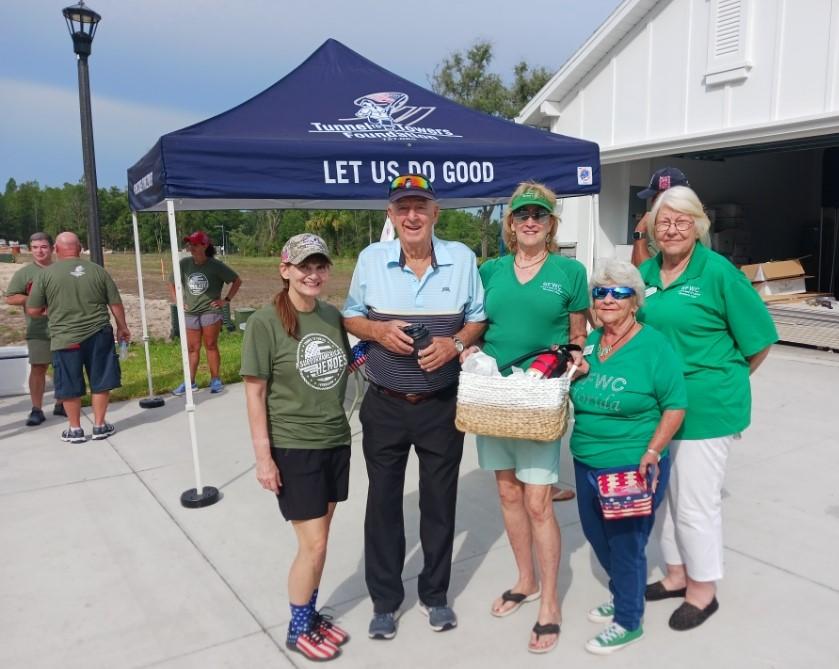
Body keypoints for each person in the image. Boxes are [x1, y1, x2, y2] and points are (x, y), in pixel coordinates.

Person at [342, 174, 486, 640]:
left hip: (441, 405)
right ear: (390, 215)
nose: (411, 216)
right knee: (383, 504)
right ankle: (385, 601)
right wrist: (378, 331)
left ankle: (435, 595)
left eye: (420, 206)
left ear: (435, 213)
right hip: (385, 404)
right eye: (402, 207)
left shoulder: (462, 258)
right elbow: (351, 315)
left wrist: (454, 343)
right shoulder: (371, 258)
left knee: (439, 504)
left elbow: (477, 319)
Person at [638, 186, 777, 630]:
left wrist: (724, 381)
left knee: (695, 504)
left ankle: (703, 590)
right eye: (664, 222)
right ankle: (676, 575)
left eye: (682, 221)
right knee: (664, 498)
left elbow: (759, 340)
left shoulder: (718, 273)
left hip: (706, 409)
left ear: (699, 226)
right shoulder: (646, 273)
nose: (672, 229)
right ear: (652, 229)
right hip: (658, 409)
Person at [459, 181, 588, 654]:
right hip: (493, 396)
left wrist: (578, 358)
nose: (530, 221)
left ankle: (549, 602)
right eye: (522, 215)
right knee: (507, 493)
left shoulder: (570, 272)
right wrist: (467, 347)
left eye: (539, 215)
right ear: (510, 224)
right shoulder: (489, 270)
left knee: (538, 502)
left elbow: (578, 334)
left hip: (538, 399)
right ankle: (525, 580)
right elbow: (476, 325)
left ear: (551, 224)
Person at [241, 233, 351, 662]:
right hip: (294, 446)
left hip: (334, 439)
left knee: (321, 540)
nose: (313, 274)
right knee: (313, 544)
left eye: (320, 266)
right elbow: (254, 394)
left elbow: (344, 367)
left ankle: (311, 613)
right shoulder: (265, 322)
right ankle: (298, 626)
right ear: (285, 269)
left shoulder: (331, 316)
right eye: (304, 266)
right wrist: (263, 458)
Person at [570, 259, 687, 655]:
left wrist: (653, 450)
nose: (607, 299)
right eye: (600, 292)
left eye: (618, 292)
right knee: (596, 535)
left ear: (635, 301)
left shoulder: (654, 345)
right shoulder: (591, 342)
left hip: (631, 462)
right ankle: (624, 591)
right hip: (585, 457)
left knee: (626, 544)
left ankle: (628, 620)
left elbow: (675, 405)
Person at [26, 232, 130, 443]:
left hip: (65, 338)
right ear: (80, 248)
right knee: (101, 380)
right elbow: (115, 303)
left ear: (56, 249)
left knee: (69, 383)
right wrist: (122, 327)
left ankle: (75, 429)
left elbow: (33, 310)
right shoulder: (98, 271)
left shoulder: (45, 275)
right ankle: (99, 426)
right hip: (98, 334)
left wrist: (50, 310)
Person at [169, 230, 241, 395]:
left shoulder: (216, 265)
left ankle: (215, 380)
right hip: (191, 312)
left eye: (195, 244)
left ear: (205, 245)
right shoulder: (184, 264)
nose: (191, 247)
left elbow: (237, 280)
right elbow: (172, 282)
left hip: (210, 311)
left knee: (210, 345)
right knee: (192, 348)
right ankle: (190, 382)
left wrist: (226, 300)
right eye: (190, 244)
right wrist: (178, 301)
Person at [5, 232, 65, 425]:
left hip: (64, 328)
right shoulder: (24, 273)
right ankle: (37, 409)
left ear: (52, 248)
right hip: (38, 329)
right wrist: (34, 300)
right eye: (35, 247)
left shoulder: (62, 270)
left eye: (44, 247)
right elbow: (11, 297)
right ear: (30, 249)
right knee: (39, 367)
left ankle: (62, 403)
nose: (40, 251)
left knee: (64, 366)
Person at [631, 167, 690, 267]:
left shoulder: (677, 230)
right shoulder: (692, 221)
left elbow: (644, 271)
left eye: (655, 197)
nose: (652, 202)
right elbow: (634, 267)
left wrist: (639, 232)